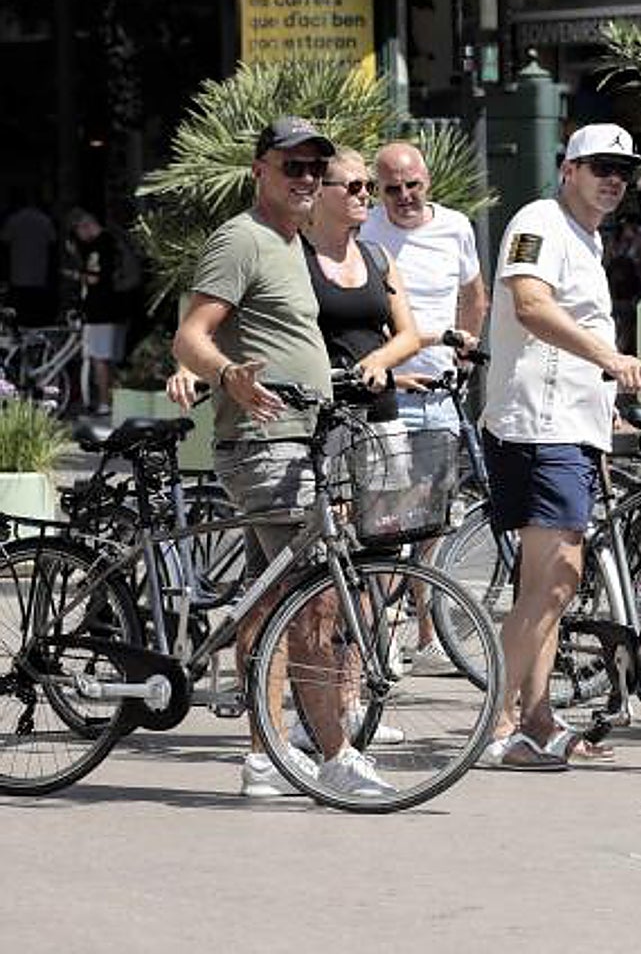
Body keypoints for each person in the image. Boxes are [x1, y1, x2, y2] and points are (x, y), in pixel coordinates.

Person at [171, 116, 395, 801]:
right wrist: (227, 374)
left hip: (302, 441)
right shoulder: (242, 239)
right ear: (258, 171)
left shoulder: (288, 242)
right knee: (314, 600)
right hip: (265, 444)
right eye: (290, 167)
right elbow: (191, 334)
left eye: (312, 169)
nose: (304, 179)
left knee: (285, 598)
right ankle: (329, 755)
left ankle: (270, 756)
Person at [479, 122, 641, 769]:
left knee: (551, 584)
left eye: (623, 169)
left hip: (569, 431)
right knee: (554, 582)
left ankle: (538, 718)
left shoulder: (586, 237)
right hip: (535, 424)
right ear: (567, 170)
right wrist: (609, 356)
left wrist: (602, 425)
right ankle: (495, 725)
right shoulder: (539, 221)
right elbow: (528, 305)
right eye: (600, 165)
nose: (613, 178)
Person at [359, 139, 488, 664]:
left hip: (439, 393)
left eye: (413, 186)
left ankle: (429, 636)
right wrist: (382, 367)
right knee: (387, 517)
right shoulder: (366, 228)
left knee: (431, 518)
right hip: (387, 392)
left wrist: (461, 359)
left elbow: (474, 295)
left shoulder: (455, 226)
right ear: (378, 190)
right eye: (393, 189)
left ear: (427, 181)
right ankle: (383, 638)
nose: (405, 197)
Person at [68, 209, 128, 415]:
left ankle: (104, 402)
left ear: (84, 226)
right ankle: (114, 400)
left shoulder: (99, 246)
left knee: (99, 358)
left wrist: (76, 273)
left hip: (100, 309)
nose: (80, 238)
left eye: (78, 232)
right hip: (115, 307)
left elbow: (94, 278)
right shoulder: (113, 242)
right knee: (110, 358)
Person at [0, 189, 57, 326]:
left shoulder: (14, 220)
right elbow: (53, 241)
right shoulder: (44, 220)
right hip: (39, 273)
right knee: (36, 309)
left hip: (18, 273)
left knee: (20, 310)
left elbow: (4, 240)